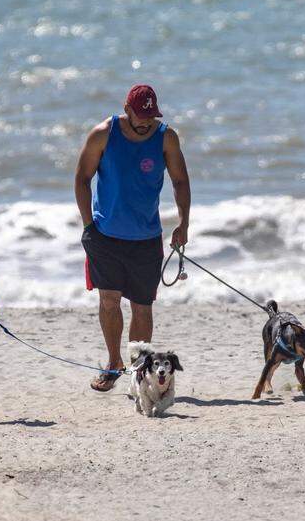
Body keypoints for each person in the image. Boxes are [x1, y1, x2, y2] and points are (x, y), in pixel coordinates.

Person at [74, 84, 191, 392]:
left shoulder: (166, 137)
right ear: (127, 109)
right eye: (141, 116)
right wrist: (88, 225)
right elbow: (82, 179)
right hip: (105, 236)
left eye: (151, 117)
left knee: (142, 307)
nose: (146, 123)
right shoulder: (103, 133)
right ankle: (114, 363)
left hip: (146, 238)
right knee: (109, 300)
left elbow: (180, 181)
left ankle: (140, 372)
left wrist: (183, 223)